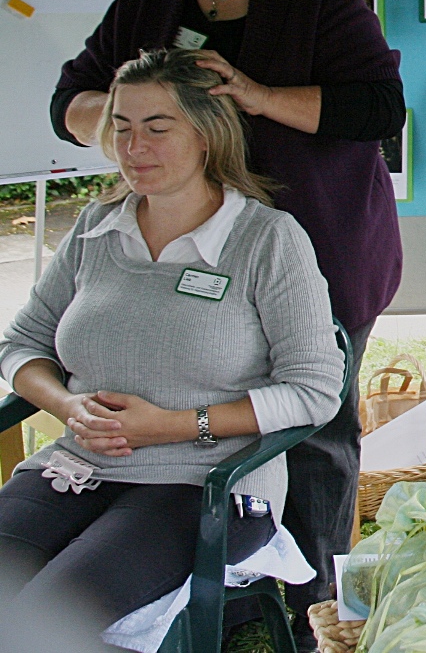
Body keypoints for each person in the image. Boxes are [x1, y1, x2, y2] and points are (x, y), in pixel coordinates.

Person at [51, 0, 404, 650]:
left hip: (315, 248)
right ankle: (201, 572)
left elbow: (378, 106)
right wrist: (138, 119)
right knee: (198, 418)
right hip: (188, 262)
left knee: (311, 429)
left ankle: (315, 602)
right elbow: (70, 101)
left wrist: (248, 93)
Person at [0, 49, 343, 648]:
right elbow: (21, 345)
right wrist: (66, 406)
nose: (135, 147)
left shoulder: (267, 239)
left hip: (205, 487)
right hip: (78, 470)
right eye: (122, 127)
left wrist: (176, 425)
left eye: (158, 128)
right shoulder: (96, 226)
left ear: (207, 134)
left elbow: (315, 391)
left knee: (39, 622)